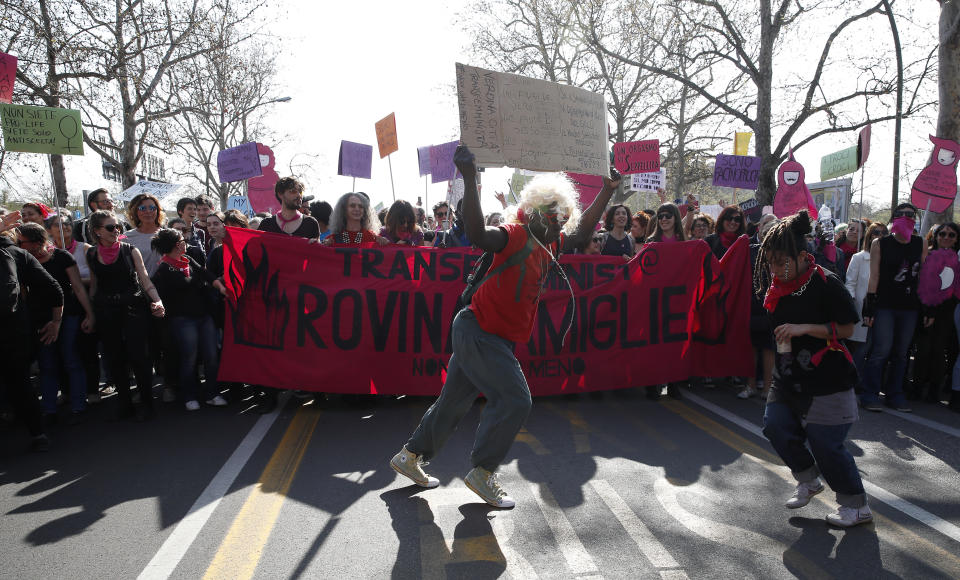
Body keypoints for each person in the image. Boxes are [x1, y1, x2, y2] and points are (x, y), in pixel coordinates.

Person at [389, 145, 620, 508]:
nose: (560, 220)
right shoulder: (513, 235)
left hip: (492, 337)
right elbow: (479, 233)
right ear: (532, 212)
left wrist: (607, 190)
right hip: (478, 330)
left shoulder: (553, 243)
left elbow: (583, 231)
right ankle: (483, 471)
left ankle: (410, 456)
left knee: (452, 404)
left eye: (564, 215)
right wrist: (468, 177)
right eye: (552, 213)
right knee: (515, 399)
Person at [756, 210, 871, 528]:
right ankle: (808, 480)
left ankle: (856, 506)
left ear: (804, 256)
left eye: (781, 262)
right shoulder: (776, 286)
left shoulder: (826, 283)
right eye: (770, 261)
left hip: (827, 378)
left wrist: (803, 328)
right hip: (788, 375)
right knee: (775, 427)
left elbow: (847, 329)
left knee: (826, 446)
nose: (774, 268)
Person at [86, 210, 165, 420]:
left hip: (133, 307)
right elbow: (94, 286)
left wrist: (157, 300)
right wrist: (91, 315)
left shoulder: (130, 250)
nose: (116, 231)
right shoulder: (92, 254)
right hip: (106, 310)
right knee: (115, 358)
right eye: (110, 228)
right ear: (97, 231)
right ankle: (125, 404)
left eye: (117, 226)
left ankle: (148, 402)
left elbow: (145, 279)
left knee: (140, 356)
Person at [17, 222, 96, 423]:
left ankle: (79, 404)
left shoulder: (61, 257)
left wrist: (90, 314)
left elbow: (77, 287)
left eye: (22, 242)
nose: (20, 244)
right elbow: (24, 295)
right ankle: (49, 408)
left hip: (68, 313)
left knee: (70, 357)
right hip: (41, 317)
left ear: (35, 242)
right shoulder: (23, 261)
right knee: (47, 363)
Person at [1, 211, 62, 451]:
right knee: (20, 382)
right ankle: (37, 434)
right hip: (15, 329)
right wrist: (56, 321)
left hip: (14, 329)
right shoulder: (19, 254)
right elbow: (54, 288)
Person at [861, 203, 929, 412]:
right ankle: (870, 394)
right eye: (901, 214)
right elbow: (874, 277)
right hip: (885, 305)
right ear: (894, 218)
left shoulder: (920, 243)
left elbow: (925, 279)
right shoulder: (880, 244)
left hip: (910, 306)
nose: (906, 217)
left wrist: (928, 308)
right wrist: (869, 307)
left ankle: (895, 394)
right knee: (881, 350)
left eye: (911, 214)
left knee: (901, 353)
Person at [151, 228, 227, 411]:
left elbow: (204, 272)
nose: (184, 243)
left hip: (204, 316)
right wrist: (203, 281)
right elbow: (189, 282)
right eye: (180, 241)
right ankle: (189, 395)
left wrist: (219, 287)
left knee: (211, 356)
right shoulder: (164, 268)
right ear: (174, 246)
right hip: (183, 320)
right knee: (189, 358)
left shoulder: (187, 260)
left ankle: (212, 393)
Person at [912, 222, 960, 403]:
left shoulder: (957, 258)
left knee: (939, 351)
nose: (946, 238)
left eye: (951, 235)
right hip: (926, 309)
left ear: (956, 239)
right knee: (923, 350)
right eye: (942, 234)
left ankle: (934, 390)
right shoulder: (928, 255)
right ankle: (917, 388)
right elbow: (925, 284)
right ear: (936, 236)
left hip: (948, 311)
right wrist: (928, 310)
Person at [844, 222, 887, 379]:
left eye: (883, 233)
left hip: (883, 311)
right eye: (876, 232)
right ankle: (852, 381)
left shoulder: (889, 259)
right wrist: (853, 302)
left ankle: (868, 383)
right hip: (862, 310)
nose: (879, 236)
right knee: (861, 348)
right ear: (869, 235)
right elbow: (850, 283)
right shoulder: (859, 257)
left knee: (879, 349)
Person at [124, 193, 166, 276]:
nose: (148, 211)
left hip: (165, 285)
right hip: (140, 287)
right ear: (135, 212)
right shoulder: (125, 237)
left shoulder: (167, 235)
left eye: (152, 208)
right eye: (142, 208)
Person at [175, 197, 207, 263]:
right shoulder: (173, 231)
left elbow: (203, 256)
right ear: (180, 211)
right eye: (189, 209)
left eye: (195, 209)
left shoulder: (200, 232)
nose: (193, 212)